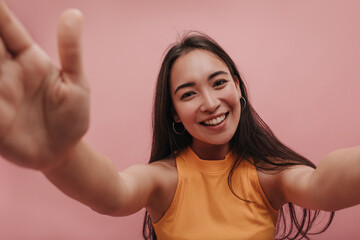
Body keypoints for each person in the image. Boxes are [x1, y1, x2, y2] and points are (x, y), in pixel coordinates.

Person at [0, 1, 359, 239]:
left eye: (219, 83)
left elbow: (322, 185)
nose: (210, 102)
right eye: (188, 93)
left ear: (238, 87)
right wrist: (61, 156)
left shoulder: (269, 176)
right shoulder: (164, 180)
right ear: (173, 112)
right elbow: (112, 192)